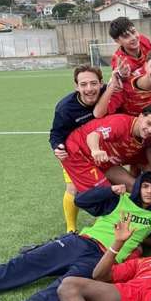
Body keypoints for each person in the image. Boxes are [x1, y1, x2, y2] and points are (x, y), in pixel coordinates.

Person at [0, 172, 151, 301]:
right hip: (80, 242)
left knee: (55, 292)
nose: (149, 191)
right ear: (138, 187)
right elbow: (81, 201)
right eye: (145, 186)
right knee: (22, 264)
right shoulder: (121, 199)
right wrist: (109, 190)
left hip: (101, 260)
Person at [49, 65, 107, 232]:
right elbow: (56, 133)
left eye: (93, 83)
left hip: (103, 150)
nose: (89, 89)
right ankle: (71, 228)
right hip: (75, 153)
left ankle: (101, 225)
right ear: (76, 86)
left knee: (106, 186)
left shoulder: (108, 95)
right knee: (73, 187)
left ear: (101, 83)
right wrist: (56, 147)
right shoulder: (65, 107)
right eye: (83, 84)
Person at [62, 106, 151, 192]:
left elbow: (145, 157)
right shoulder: (121, 124)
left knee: (134, 187)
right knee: (106, 194)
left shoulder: (145, 138)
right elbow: (93, 136)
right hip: (79, 152)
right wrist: (96, 150)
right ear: (141, 117)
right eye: (148, 123)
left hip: (105, 162)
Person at [94, 50, 151, 118]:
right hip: (128, 130)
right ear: (145, 65)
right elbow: (98, 114)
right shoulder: (124, 86)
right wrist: (112, 85)